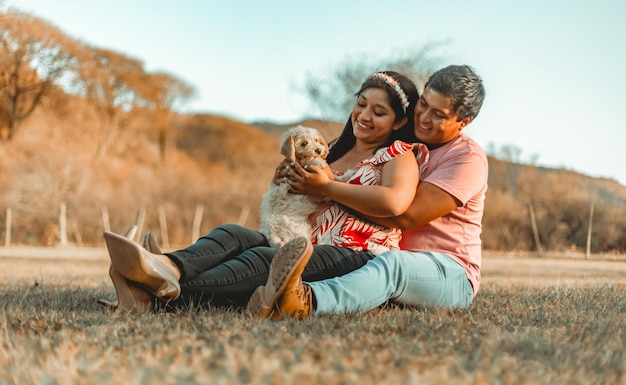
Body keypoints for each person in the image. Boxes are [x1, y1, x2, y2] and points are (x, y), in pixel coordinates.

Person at [102, 70, 428, 312]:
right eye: (361, 104)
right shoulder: (331, 150)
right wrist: (285, 180)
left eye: (379, 112)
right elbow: (301, 196)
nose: (364, 116)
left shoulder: (398, 155)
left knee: (262, 260)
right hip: (301, 238)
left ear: (399, 122)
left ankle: (148, 293)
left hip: (354, 254)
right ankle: (166, 266)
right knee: (233, 235)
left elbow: (395, 203)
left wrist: (328, 187)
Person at [247, 64, 487, 319]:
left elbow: (404, 216)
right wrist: (290, 182)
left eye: (438, 114)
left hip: (449, 271)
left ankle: (305, 301)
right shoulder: (401, 145)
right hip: (385, 257)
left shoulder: (466, 160)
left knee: (393, 267)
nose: (424, 117)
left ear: (464, 121)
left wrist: (329, 188)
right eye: (424, 103)